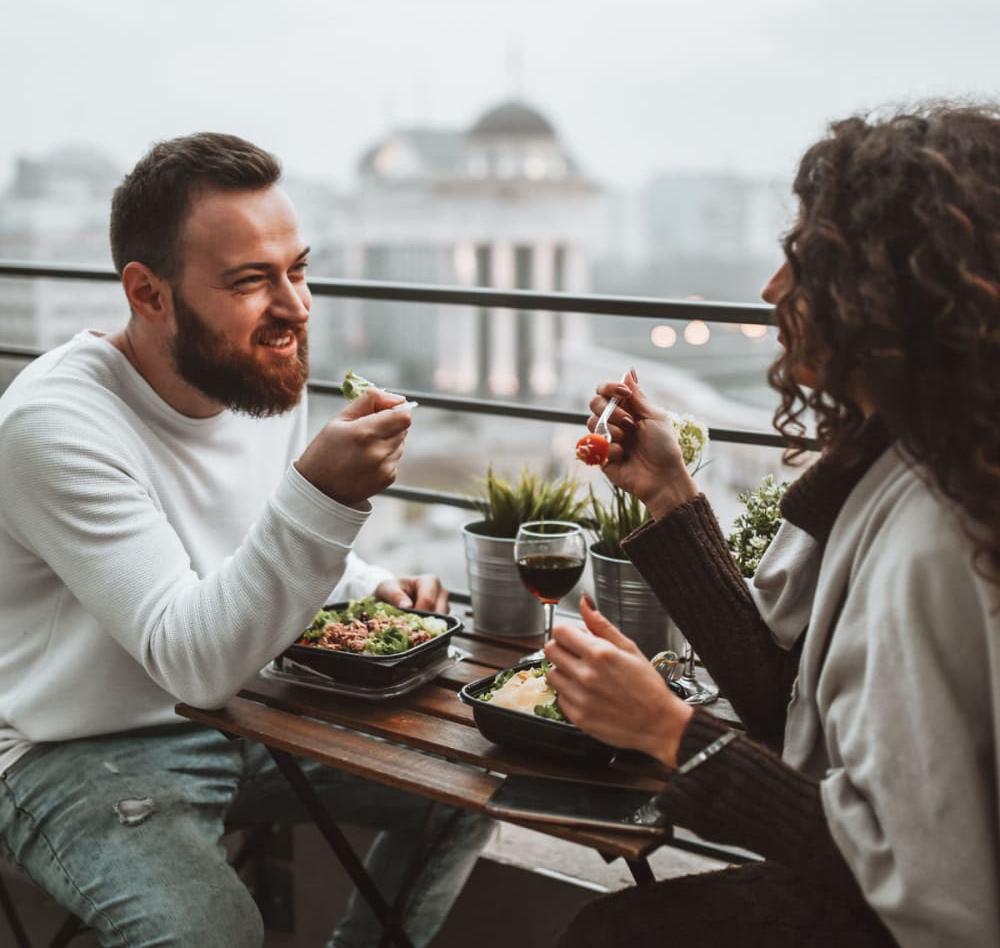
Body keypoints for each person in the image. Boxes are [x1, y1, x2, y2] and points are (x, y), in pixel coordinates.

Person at [0, 132, 495, 947]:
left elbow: (250, 539)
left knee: (460, 791)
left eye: (298, 269)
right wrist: (325, 493)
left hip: (246, 711)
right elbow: (189, 659)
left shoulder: (250, 370)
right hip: (76, 747)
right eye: (251, 281)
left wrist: (365, 587)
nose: (295, 308)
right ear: (148, 293)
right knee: (214, 934)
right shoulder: (55, 428)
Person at [546, 104, 1000, 948]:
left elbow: (920, 879)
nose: (770, 291)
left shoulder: (934, 538)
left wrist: (666, 730)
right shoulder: (888, 458)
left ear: (887, 292)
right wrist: (670, 493)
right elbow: (780, 698)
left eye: (804, 262)